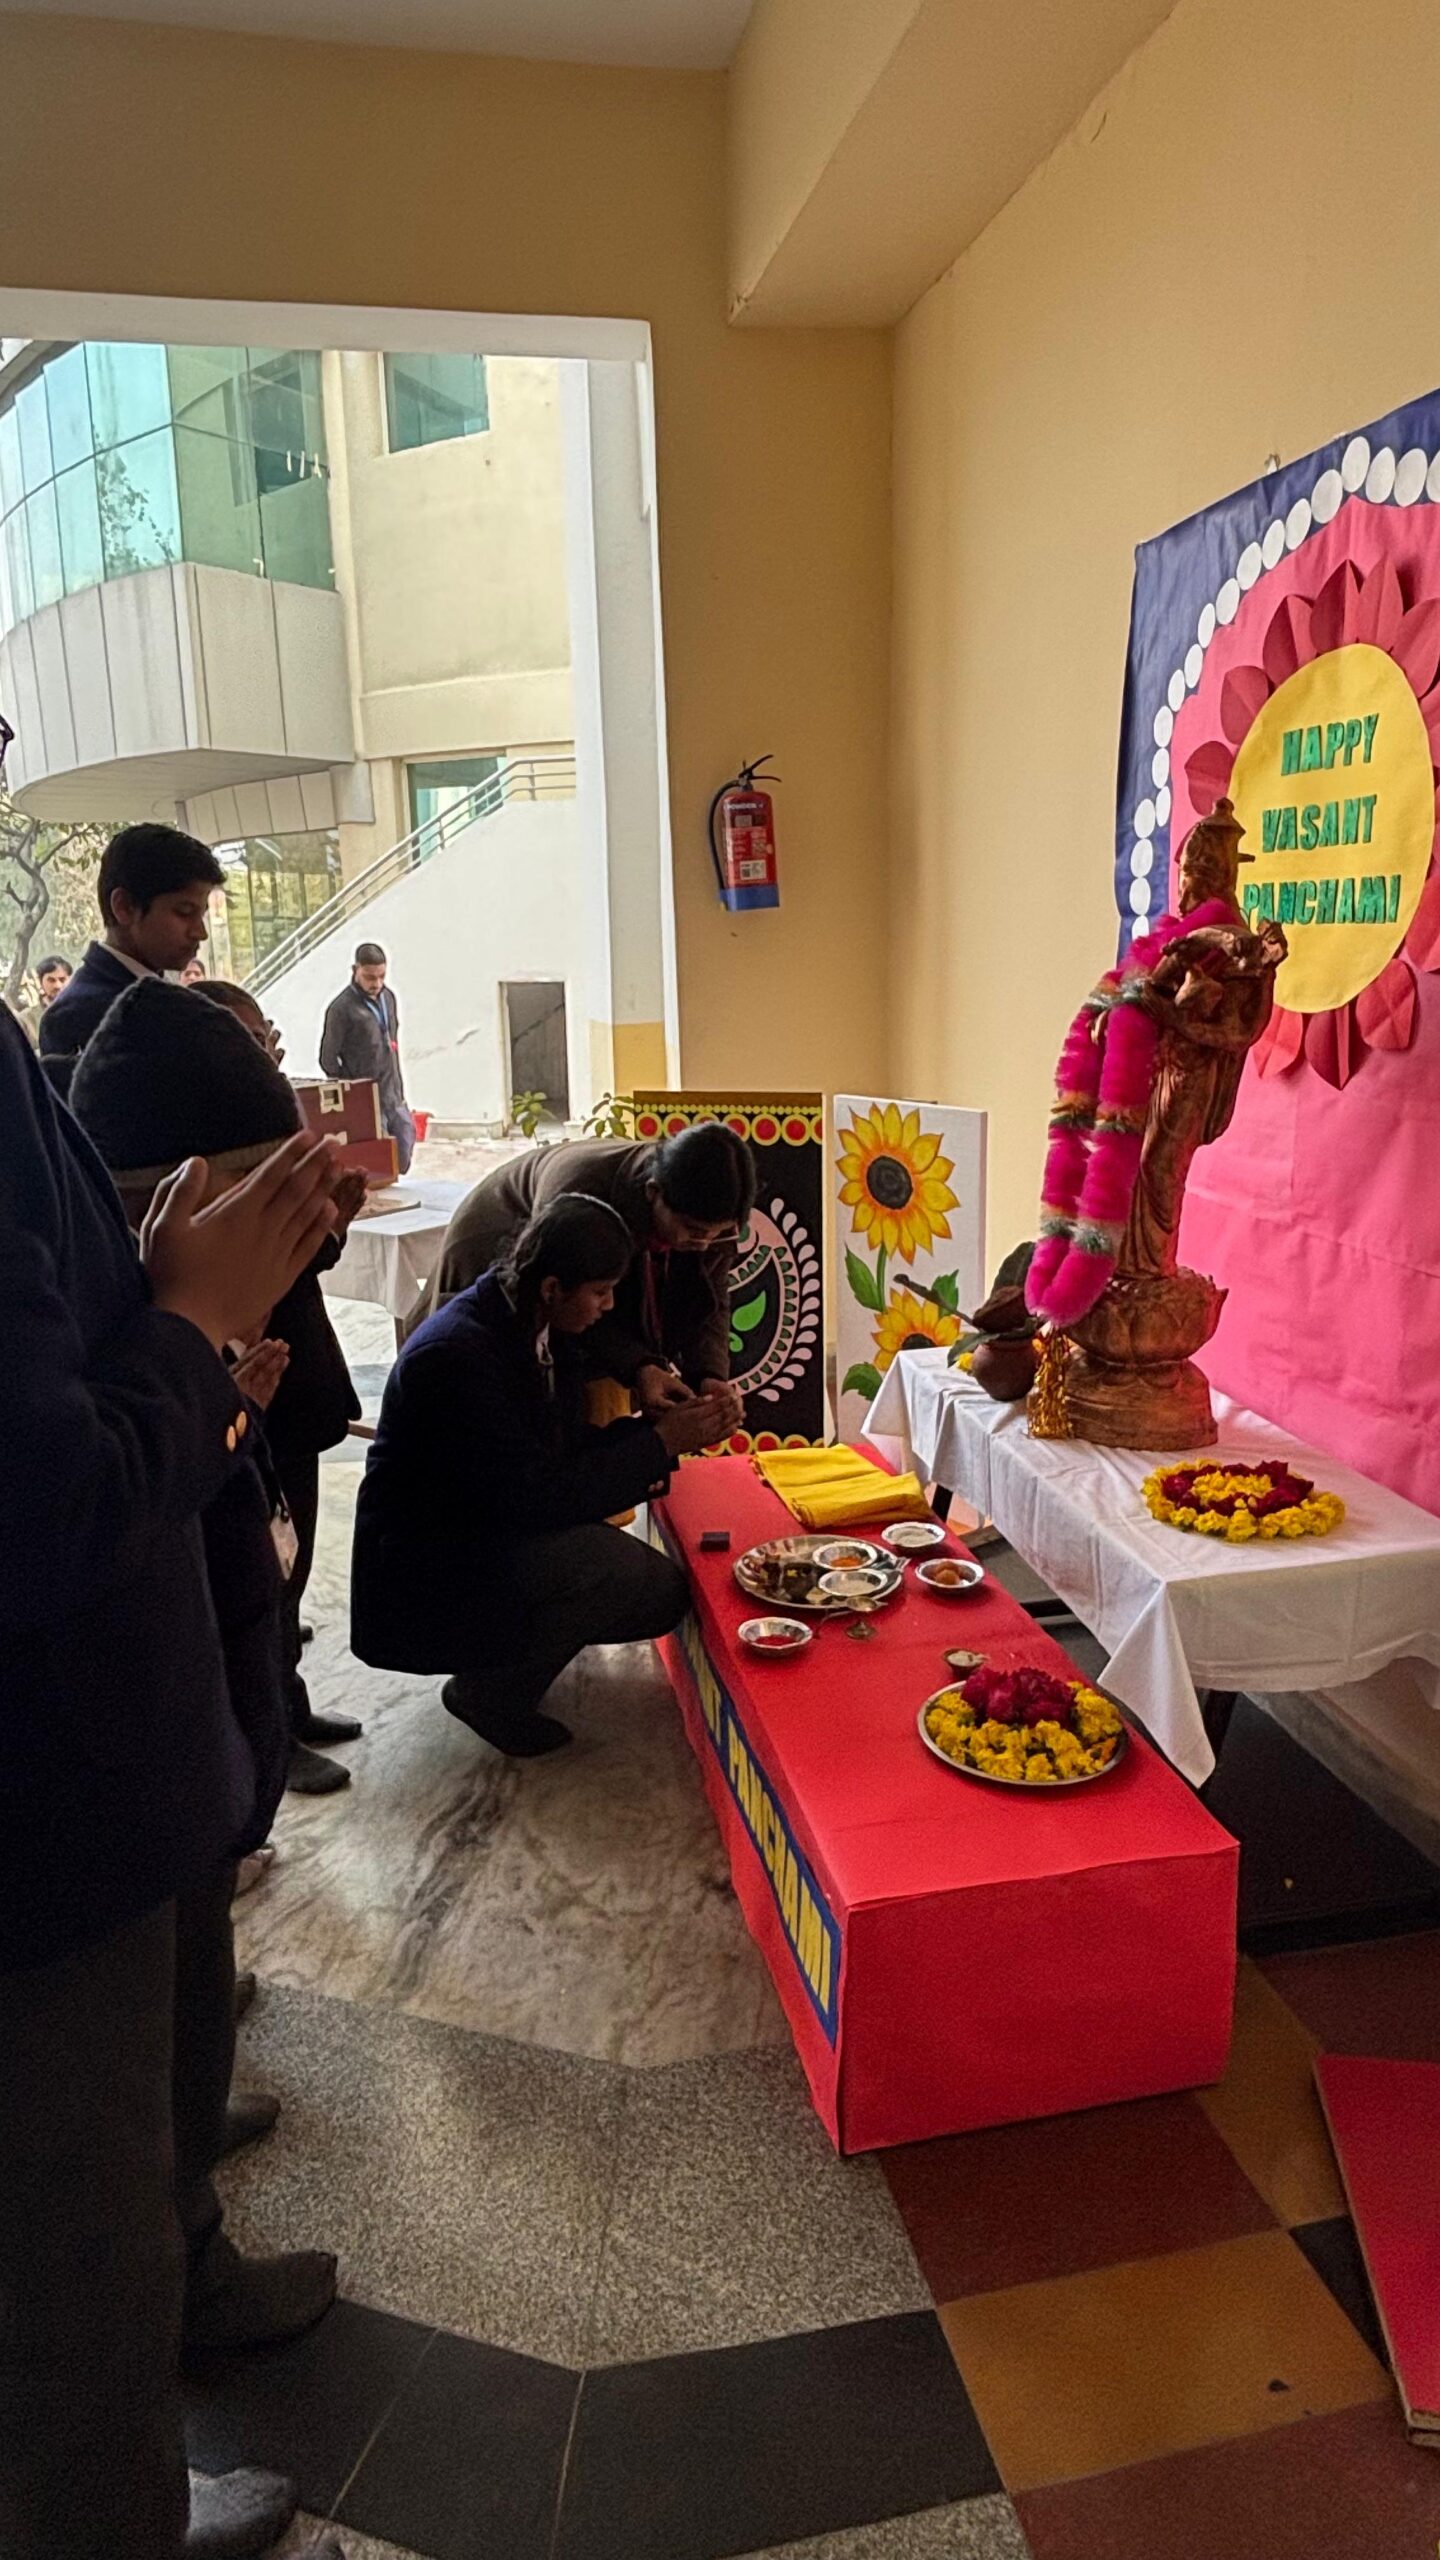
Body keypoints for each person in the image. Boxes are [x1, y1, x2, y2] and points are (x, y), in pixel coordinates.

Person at [0, 1003, 348, 2560]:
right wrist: (193, 1324)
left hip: (96, 1786)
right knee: (77, 2269)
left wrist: (170, 1321)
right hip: (48, 1821)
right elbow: (43, 1502)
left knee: (113, 2190)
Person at [69, 984, 343, 2320]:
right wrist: (194, 1349)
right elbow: (86, 1497)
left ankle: (192, 2132)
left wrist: (220, 1392)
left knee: (195, 1954)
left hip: (190, 1705)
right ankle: (188, 2256)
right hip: (117, 1749)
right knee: (135, 2033)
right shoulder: (108, 1292)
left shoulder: (145, 1286)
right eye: (259, 1193)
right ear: (180, 1197)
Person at [352, 1194, 741, 1756]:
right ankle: (488, 1692)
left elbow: (560, 1453)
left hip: (485, 1525)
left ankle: (510, 1653)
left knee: (657, 1592)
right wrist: (660, 1443)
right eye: (601, 1292)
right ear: (553, 1287)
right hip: (428, 1565)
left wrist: (658, 1429)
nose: (609, 1307)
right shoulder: (457, 1356)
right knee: (616, 1575)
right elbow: (537, 1496)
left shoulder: (529, 1319)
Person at [195, 978, 367, 1796]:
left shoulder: (269, 1137)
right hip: (241, 1389)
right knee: (257, 1577)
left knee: (290, 1570)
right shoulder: (200, 1155)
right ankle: (268, 1738)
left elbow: (297, 1266)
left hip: (295, 1378)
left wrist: (332, 1222)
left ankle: (290, 1706)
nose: (265, 1055)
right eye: (248, 1044)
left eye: (265, 1039)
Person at [427, 1123, 756, 1416]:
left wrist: (709, 1374)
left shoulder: (706, 1215)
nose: (704, 1244)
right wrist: (639, 1365)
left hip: (569, 1283)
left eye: (718, 1234)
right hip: (492, 1245)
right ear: (653, 1192)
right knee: (508, 1399)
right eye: (693, 1230)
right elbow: (570, 1304)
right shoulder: (581, 1192)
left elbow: (710, 1298)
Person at [40, 821, 225, 1088]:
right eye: (184, 912)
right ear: (124, 907)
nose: (200, 932)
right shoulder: (78, 1015)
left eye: (202, 914)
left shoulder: (166, 996)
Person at [319, 941, 415, 1175]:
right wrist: (352, 1088)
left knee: (404, 1149)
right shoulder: (341, 1008)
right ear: (355, 970)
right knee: (378, 1162)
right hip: (366, 1098)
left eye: (382, 976)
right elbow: (327, 1058)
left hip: (393, 1091)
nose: (377, 984)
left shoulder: (388, 998)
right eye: (370, 977)